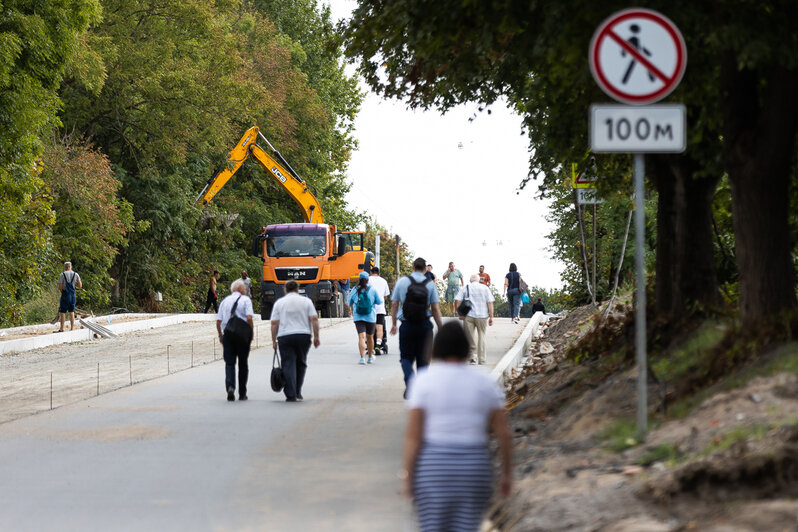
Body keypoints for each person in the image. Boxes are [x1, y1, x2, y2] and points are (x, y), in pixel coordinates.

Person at [403, 322, 512, 532]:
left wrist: (408, 476)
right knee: (467, 527)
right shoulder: (484, 382)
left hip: (433, 467)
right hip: (474, 466)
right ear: (465, 346)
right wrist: (507, 475)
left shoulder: (423, 382)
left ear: (436, 347)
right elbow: (504, 434)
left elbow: (413, 436)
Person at [390, 257, 443, 398]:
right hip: (425, 326)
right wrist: (441, 328)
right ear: (425, 269)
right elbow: (436, 309)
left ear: (413, 267)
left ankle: (410, 381)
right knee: (423, 360)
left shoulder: (402, 281)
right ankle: (421, 389)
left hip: (406, 325)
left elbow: (394, 304)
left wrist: (394, 323)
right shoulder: (430, 284)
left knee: (406, 357)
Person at [270, 280, 320, 402]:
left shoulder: (280, 303)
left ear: (285, 290)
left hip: (285, 336)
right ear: (297, 289)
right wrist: (316, 336)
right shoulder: (306, 302)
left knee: (288, 363)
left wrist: (274, 340)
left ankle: (290, 393)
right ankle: (297, 391)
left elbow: (274, 323)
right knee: (301, 363)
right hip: (303, 336)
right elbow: (314, 319)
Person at [216, 279, 254, 401]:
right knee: (243, 363)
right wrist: (251, 332)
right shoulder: (246, 300)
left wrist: (220, 335)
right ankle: (242, 393)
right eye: (244, 288)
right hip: (243, 335)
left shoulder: (225, 301)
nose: (245, 290)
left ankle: (230, 387)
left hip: (228, 334)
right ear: (239, 289)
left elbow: (218, 321)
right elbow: (249, 317)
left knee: (230, 363)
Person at [455, 274, 495, 365]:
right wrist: (491, 316)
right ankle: (482, 360)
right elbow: (490, 302)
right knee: (482, 336)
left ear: (470, 280)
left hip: (469, 316)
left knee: (469, 337)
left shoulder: (466, 287)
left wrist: (460, 314)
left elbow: (457, 300)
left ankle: (472, 358)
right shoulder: (485, 288)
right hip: (482, 316)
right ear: (479, 280)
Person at [348, 271, 383, 364]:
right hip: (370, 317)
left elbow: (349, 302)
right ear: (368, 280)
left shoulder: (354, 290)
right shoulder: (373, 289)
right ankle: (370, 357)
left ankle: (362, 358)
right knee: (370, 337)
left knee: (361, 337)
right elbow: (379, 302)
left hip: (358, 317)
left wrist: (351, 310)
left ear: (359, 279)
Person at [368, 267, 391, 355]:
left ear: (370, 272)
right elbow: (385, 296)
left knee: (370, 326)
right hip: (380, 307)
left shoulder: (368, 280)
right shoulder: (383, 281)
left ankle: (370, 344)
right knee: (379, 326)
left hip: (369, 308)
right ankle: (378, 344)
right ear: (379, 273)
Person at [57, 262, 83, 332]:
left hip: (65, 295)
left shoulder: (62, 275)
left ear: (65, 267)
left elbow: (60, 287)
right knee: (71, 312)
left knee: (63, 312)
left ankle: (61, 328)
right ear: (70, 267)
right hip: (72, 295)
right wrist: (75, 283)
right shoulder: (76, 274)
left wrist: (63, 293)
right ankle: (71, 328)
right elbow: (80, 285)